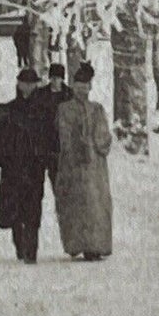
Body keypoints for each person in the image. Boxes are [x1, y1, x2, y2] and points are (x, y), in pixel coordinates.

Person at [0, 68, 58, 263]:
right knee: (15, 210)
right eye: (24, 83)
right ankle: (20, 245)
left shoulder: (44, 112)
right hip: (13, 168)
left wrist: (45, 159)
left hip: (35, 168)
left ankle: (31, 250)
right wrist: (2, 159)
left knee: (33, 209)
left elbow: (52, 138)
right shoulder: (8, 110)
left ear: (36, 85)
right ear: (18, 84)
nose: (27, 87)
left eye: (31, 83)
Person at [54, 62, 113, 261]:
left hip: (94, 167)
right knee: (74, 203)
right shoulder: (64, 109)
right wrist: (75, 147)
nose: (82, 89)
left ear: (90, 87)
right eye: (78, 85)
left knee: (95, 204)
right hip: (72, 164)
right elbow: (63, 135)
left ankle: (95, 246)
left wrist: (95, 143)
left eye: (85, 85)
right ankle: (76, 243)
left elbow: (104, 137)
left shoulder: (97, 109)